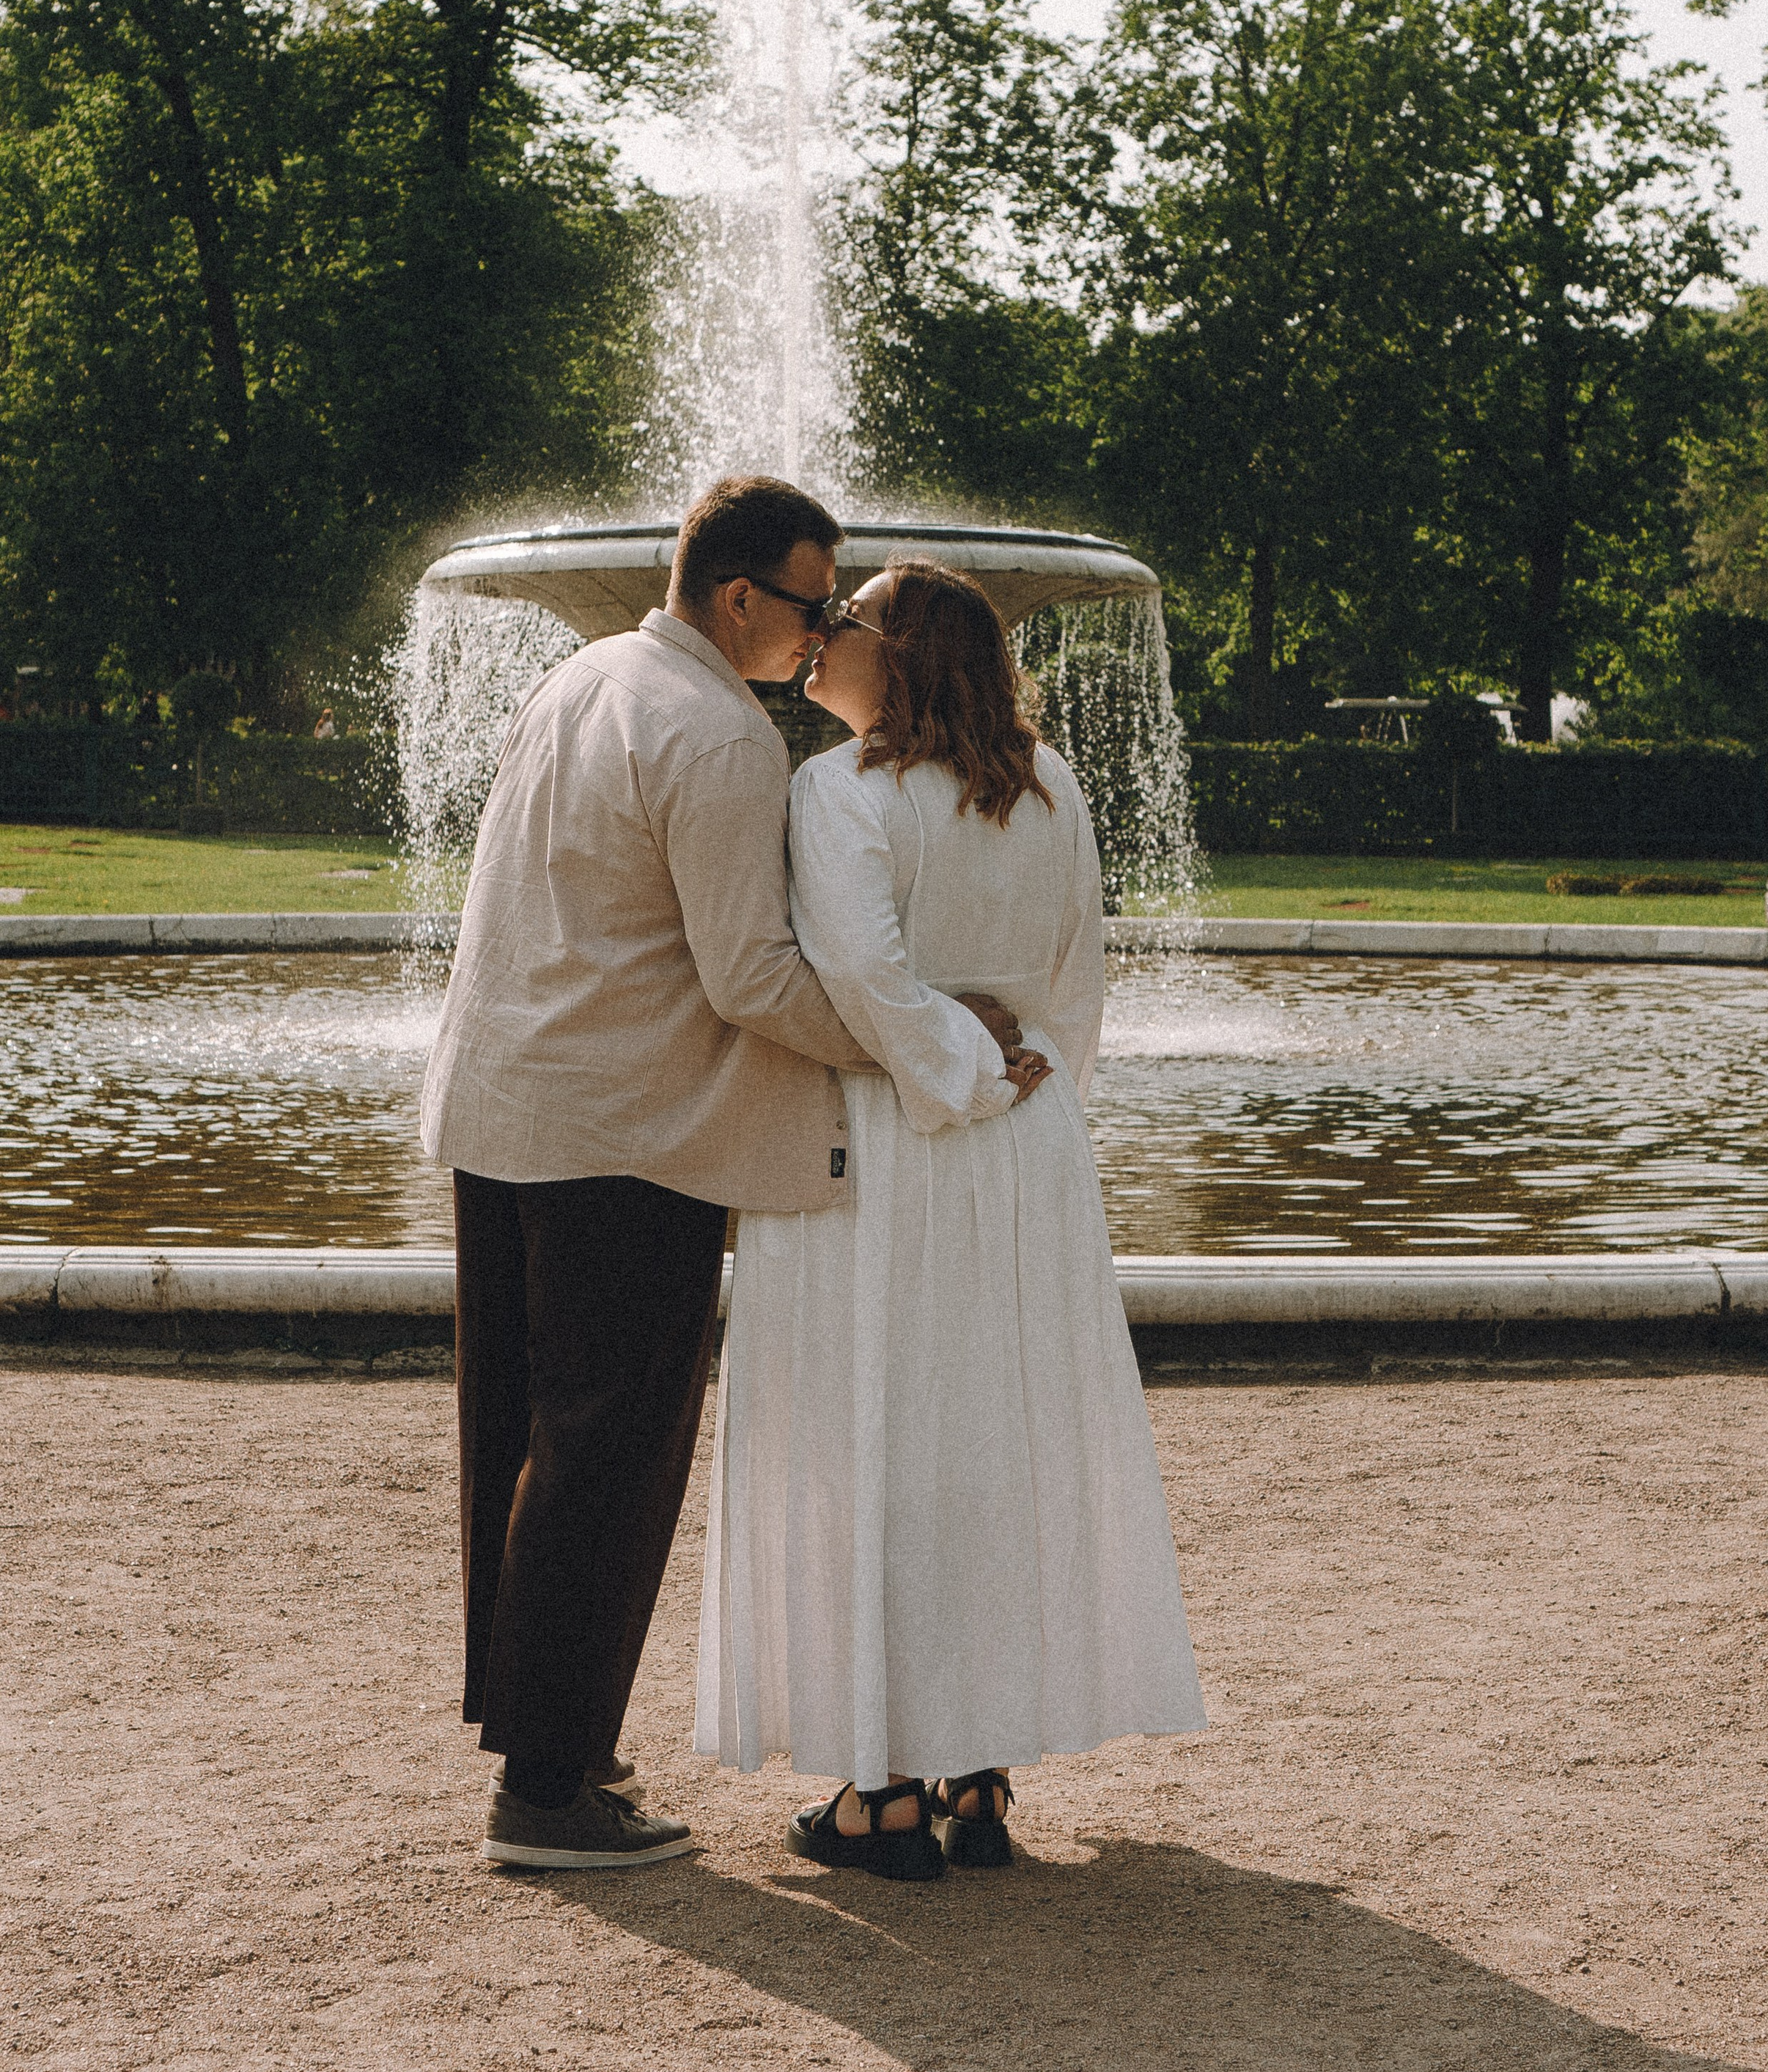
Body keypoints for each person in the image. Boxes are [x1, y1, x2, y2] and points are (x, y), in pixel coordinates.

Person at [419, 479, 1031, 1875]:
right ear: (742, 597)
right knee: (611, 1453)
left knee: (517, 1439)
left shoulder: (584, 679)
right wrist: (922, 1042)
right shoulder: (723, 737)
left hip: (501, 1108)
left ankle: (542, 1739)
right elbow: (752, 977)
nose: (825, 636)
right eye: (816, 604)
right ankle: (550, 1791)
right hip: (627, 1133)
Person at [696, 559, 1207, 1880]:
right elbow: (1077, 980)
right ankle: (978, 1767)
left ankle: (883, 1791)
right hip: (1024, 1145)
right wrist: (1030, 1089)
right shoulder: (1050, 783)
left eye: (846, 621)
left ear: (903, 653)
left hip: (888, 1136)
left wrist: (956, 1073)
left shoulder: (839, 788)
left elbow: (861, 969)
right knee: (993, 1437)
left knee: (871, 1432)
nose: (821, 639)